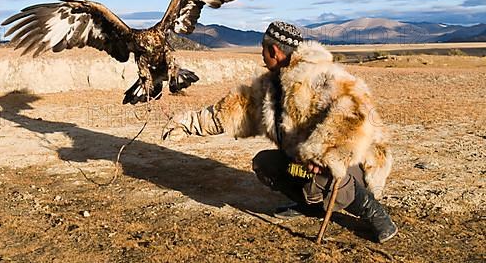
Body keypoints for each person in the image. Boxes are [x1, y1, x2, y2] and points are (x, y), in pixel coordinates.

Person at [163, 21, 398, 243]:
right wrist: (184, 123)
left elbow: (354, 117)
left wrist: (323, 153)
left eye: (263, 52)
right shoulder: (270, 87)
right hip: (309, 166)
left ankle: (374, 213)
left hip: (353, 167)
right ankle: (311, 206)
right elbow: (228, 112)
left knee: (320, 170)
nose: (262, 58)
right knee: (266, 163)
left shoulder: (325, 76)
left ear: (274, 51)